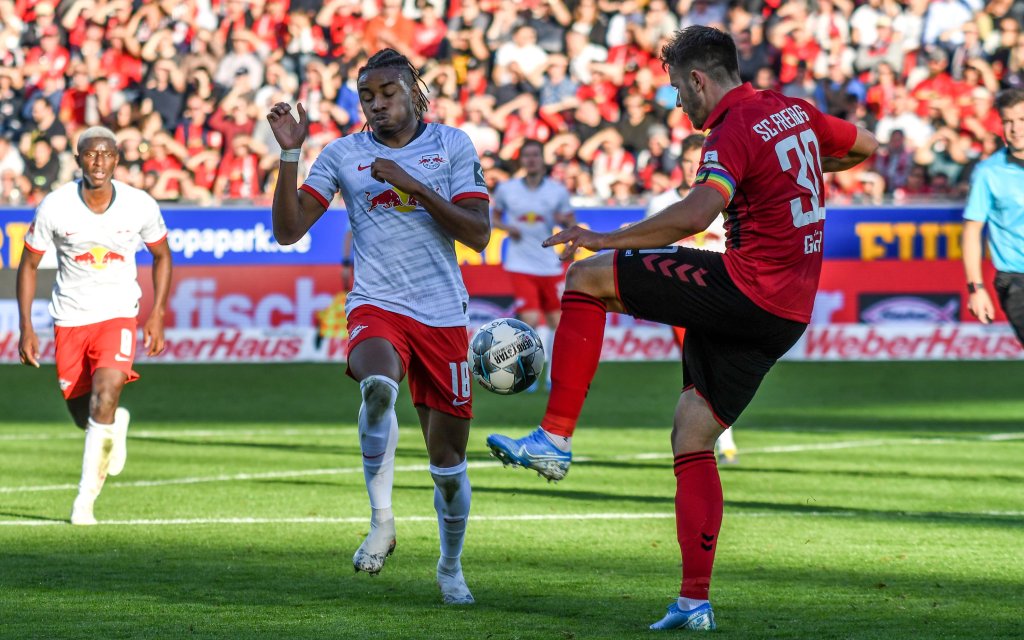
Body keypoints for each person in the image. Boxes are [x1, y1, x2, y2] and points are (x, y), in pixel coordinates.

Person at [487, 26, 877, 630]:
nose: (676, 102)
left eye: (676, 87)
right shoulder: (791, 112)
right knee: (692, 436)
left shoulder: (732, 128)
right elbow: (867, 145)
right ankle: (695, 601)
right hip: (789, 314)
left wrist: (605, 238)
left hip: (747, 289)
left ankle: (554, 438)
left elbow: (698, 213)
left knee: (588, 276)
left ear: (699, 78)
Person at [266, 48, 490, 605]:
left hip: (443, 313)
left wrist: (416, 187)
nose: (376, 104)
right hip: (377, 303)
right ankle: (382, 521)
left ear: (414, 92)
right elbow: (289, 230)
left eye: (387, 93)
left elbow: (479, 233)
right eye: (367, 96)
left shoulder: (452, 145)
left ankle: (450, 567)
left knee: (449, 465)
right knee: (376, 387)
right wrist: (290, 154)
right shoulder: (343, 154)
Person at [17, 126, 172, 526]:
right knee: (83, 413)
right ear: (78, 160)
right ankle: (114, 424)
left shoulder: (138, 205)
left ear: (117, 160)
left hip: (119, 312)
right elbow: (29, 265)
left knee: (105, 396)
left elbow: (162, 256)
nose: (98, 161)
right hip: (70, 317)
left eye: (106, 154)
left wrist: (155, 314)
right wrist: (26, 328)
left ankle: (84, 501)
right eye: (90, 154)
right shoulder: (55, 206)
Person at [645, 133, 737, 465]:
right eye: (685, 161)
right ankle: (720, 443)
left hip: (722, 291)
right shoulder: (661, 203)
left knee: (717, 367)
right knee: (703, 368)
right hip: (682, 296)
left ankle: (712, 438)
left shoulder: (726, 200)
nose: (690, 168)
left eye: (696, 161)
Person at [490, 138, 575, 392]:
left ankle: (550, 376)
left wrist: (564, 222)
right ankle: (529, 373)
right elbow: (494, 216)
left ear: (542, 159)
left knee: (554, 322)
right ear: (522, 160)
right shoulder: (507, 189)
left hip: (549, 263)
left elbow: (571, 221)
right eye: (526, 156)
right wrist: (507, 228)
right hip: (520, 264)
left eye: (535, 155)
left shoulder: (556, 191)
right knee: (528, 321)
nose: (531, 160)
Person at [962, 87, 1024, 346]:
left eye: (1021, 120)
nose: (1015, 129)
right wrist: (976, 289)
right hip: (1016, 280)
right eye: (1008, 121)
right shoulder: (989, 172)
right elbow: (972, 231)